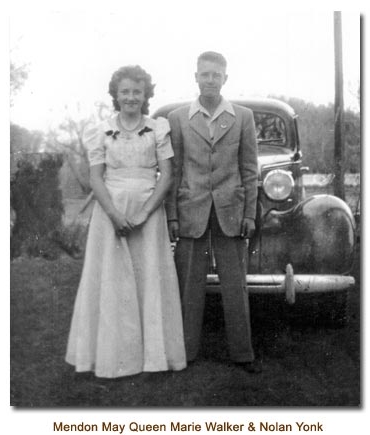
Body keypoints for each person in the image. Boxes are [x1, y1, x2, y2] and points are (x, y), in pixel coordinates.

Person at [65, 65, 186, 378]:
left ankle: (154, 357)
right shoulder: (101, 131)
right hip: (111, 215)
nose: (131, 97)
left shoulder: (158, 129)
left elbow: (167, 175)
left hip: (149, 213)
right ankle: (112, 356)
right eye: (125, 92)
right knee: (111, 281)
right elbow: (95, 177)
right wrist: (115, 215)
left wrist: (145, 213)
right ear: (115, 96)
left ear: (146, 95)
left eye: (137, 91)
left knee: (149, 279)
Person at [166, 51, 261, 373]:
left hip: (231, 210)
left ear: (225, 79)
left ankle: (242, 354)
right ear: (195, 76)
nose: (210, 80)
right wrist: (172, 215)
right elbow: (174, 169)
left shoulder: (243, 117)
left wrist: (250, 213)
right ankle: (186, 353)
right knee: (188, 286)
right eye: (204, 74)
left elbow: (249, 169)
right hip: (190, 208)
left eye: (216, 75)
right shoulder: (178, 118)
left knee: (236, 286)